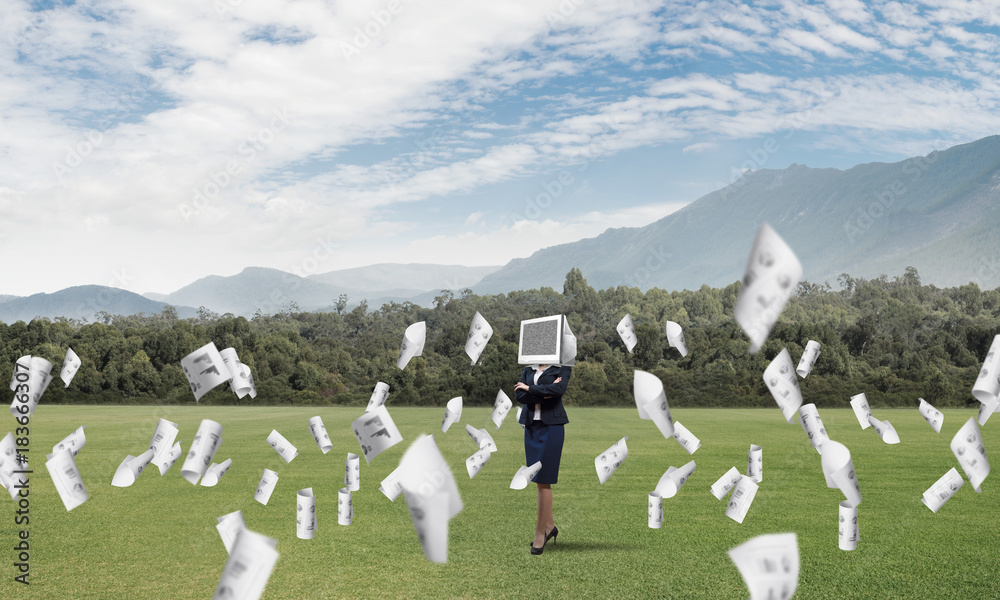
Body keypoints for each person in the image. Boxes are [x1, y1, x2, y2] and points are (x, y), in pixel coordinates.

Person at [514, 362, 571, 555]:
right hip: (531, 427)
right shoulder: (529, 368)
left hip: (552, 427)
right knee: (537, 480)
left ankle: (540, 533)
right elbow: (518, 395)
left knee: (544, 480)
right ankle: (550, 527)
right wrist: (544, 392)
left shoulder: (562, 367)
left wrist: (530, 388)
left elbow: (558, 390)